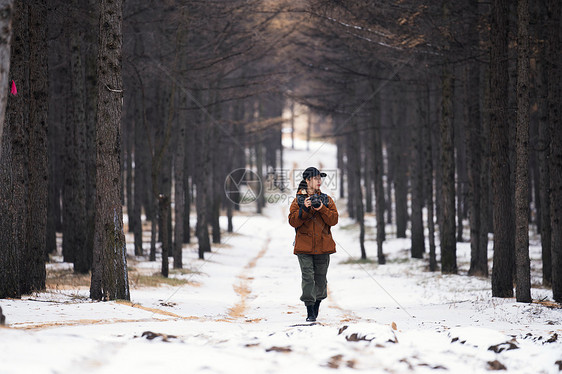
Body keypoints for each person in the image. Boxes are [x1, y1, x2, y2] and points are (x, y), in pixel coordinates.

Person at [288, 167, 338, 322]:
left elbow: (334, 220)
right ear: (307, 180)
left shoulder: (327, 199)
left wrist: (322, 209)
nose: (319, 181)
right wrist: (304, 209)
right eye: (316, 178)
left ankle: (316, 308)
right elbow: (292, 221)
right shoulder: (298, 201)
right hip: (304, 247)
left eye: (320, 178)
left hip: (323, 246)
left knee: (321, 279)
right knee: (308, 277)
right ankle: (310, 311)